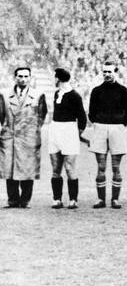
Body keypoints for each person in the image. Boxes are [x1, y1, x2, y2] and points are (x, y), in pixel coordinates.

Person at [88, 61, 127, 209]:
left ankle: (115, 199)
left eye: (110, 71)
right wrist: (99, 123)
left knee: (116, 167)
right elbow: (91, 112)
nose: (107, 74)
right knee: (100, 167)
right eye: (104, 72)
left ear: (116, 72)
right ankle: (101, 199)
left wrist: (120, 124)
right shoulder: (96, 90)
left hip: (117, 129)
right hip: (100, 128)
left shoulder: (123, 90)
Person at [1, 66, 47, 208]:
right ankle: (13, 199)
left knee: (28, 169)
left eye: (26, 76)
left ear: (30, 77)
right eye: (20, 76)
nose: (23, 79)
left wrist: (33, 130)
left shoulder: (38, 95)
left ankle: (25, 199)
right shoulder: (4, 94)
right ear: (15, 77)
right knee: (10, 169)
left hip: (28, 138)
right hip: (10, 136)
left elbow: (42, 115)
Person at [48, 68, 87, 209]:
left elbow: (82, 117)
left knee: (69, 167)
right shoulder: (56, 93)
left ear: (58, 79)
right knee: (55, 168)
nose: (54, 80)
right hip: (54, 130)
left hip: (69, 130)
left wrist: (78, 134)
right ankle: (56, 199)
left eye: (54, 78)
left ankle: (73, 200)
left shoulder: (74, 95)